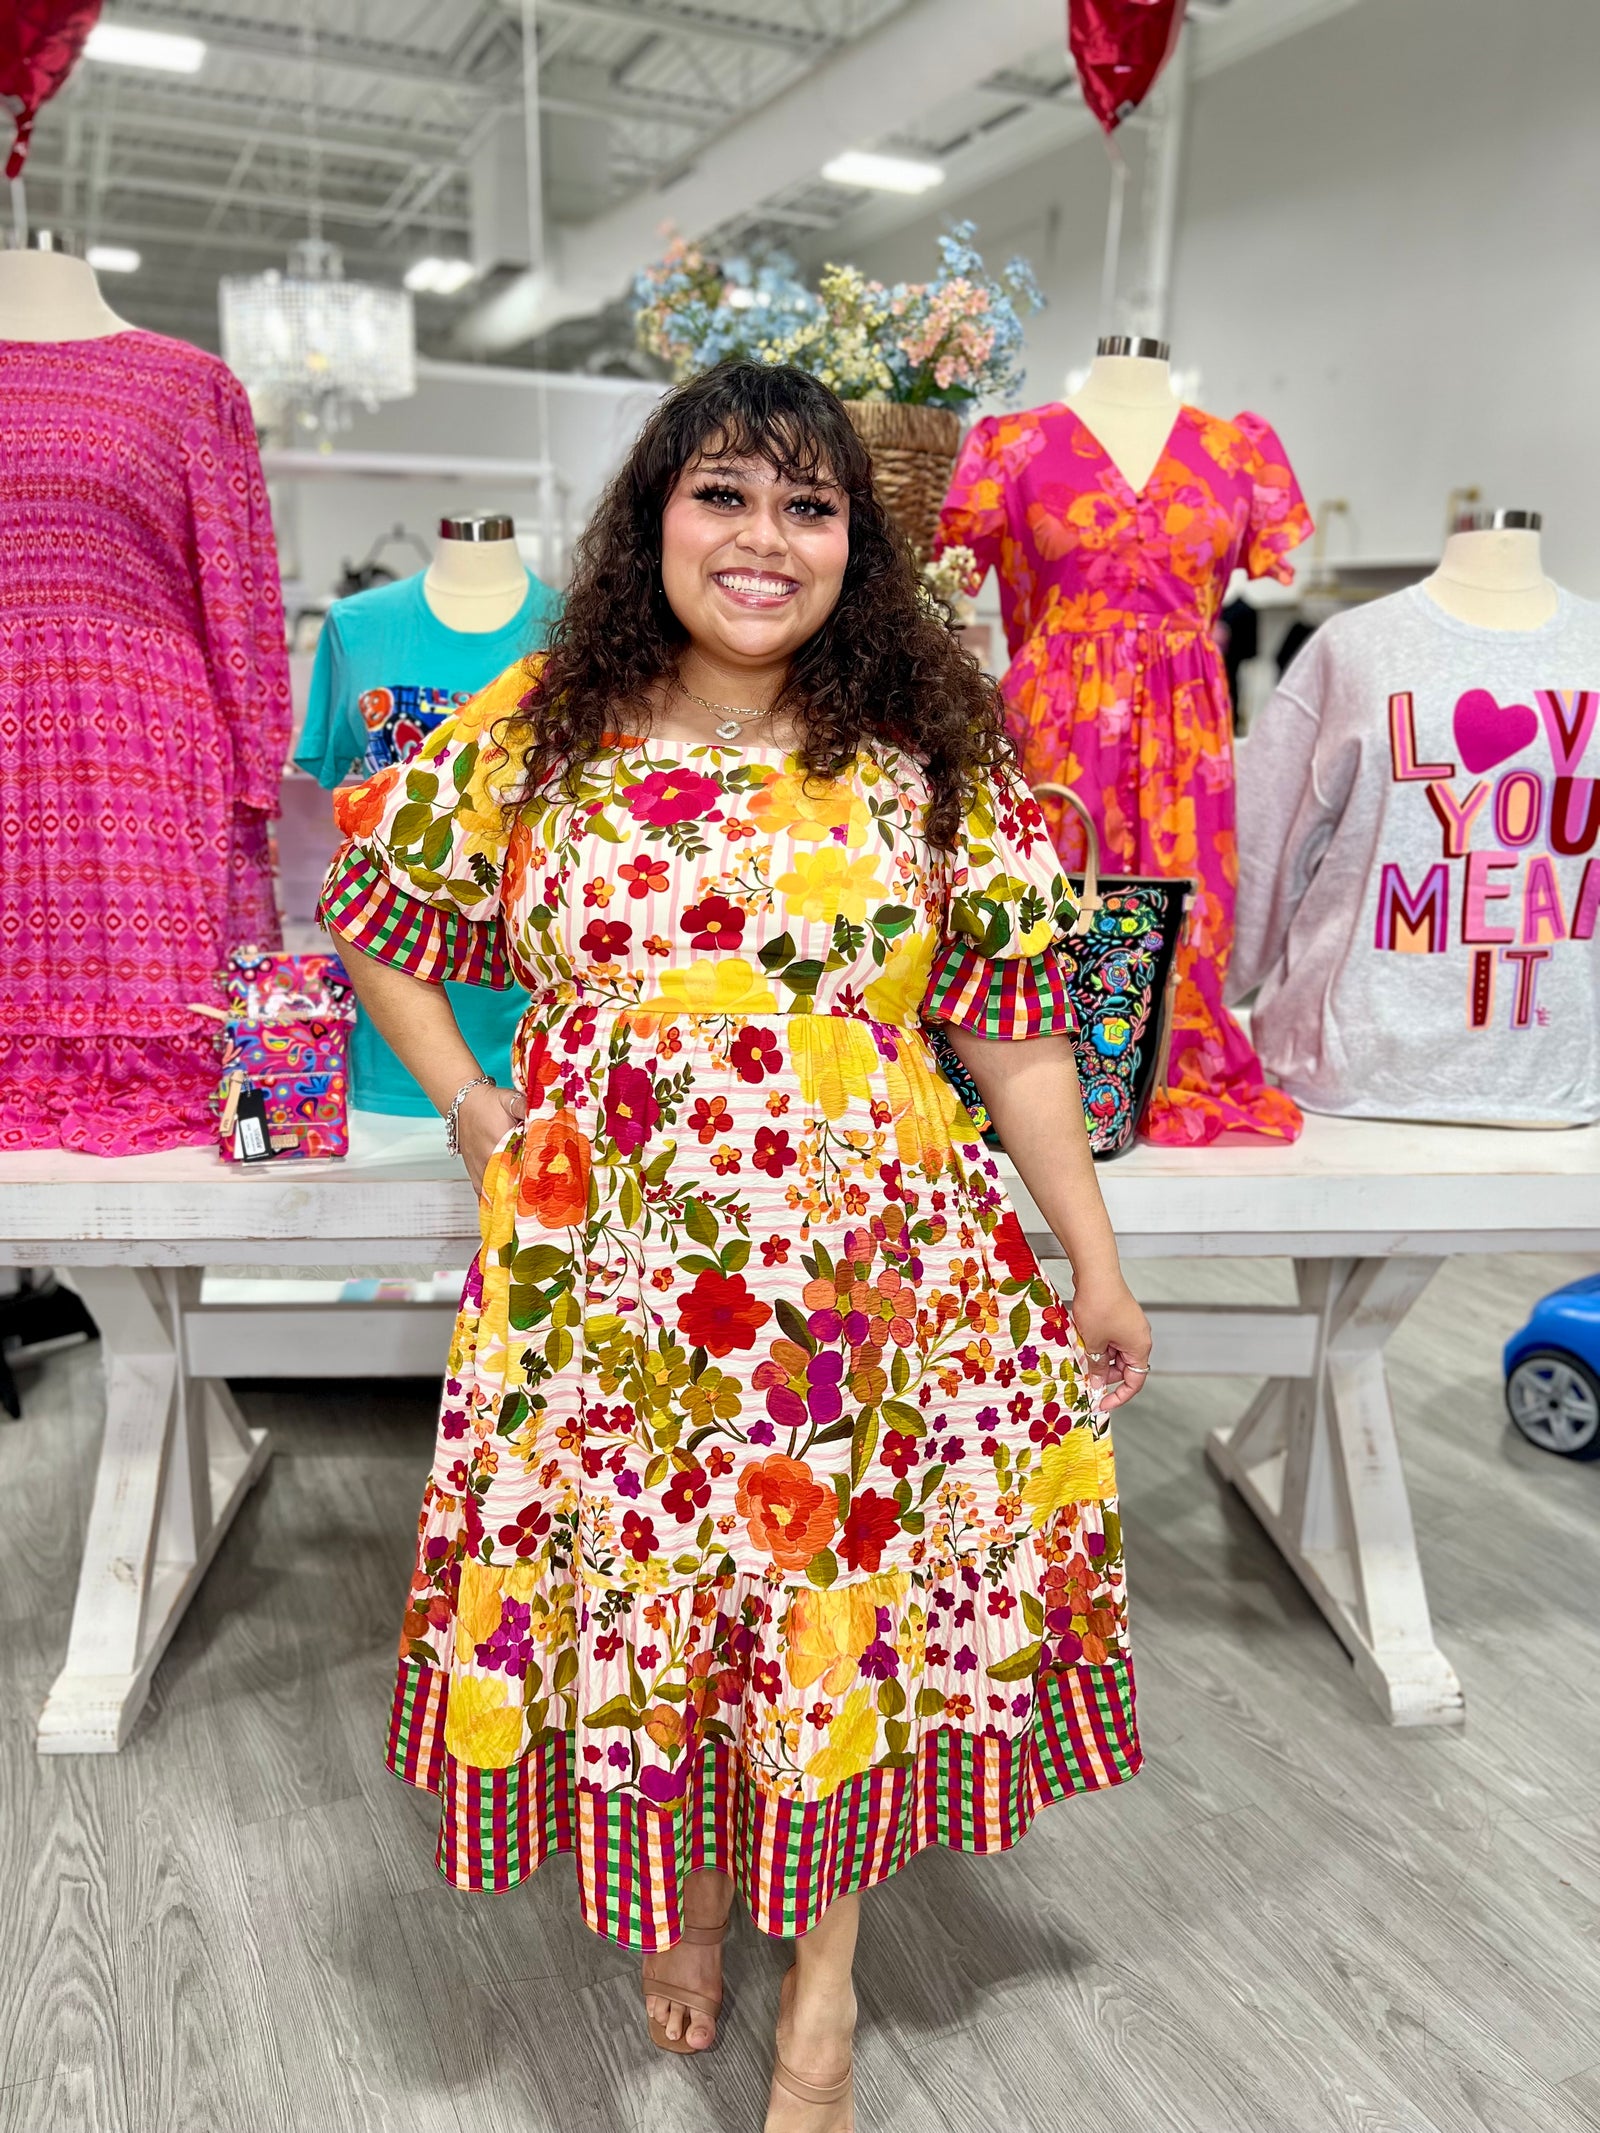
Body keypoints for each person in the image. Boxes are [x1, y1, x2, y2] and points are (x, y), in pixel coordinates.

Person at [320, 360, 1151, 2131]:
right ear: (654, 516)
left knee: (810, 1619)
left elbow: (1010, 1027)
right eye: (724, 493)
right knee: (658, 1611)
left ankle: (826, 1995)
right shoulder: (543, 723)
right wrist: (479, 1109)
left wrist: (1092, 1256)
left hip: (854, 1298)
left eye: (810, 506)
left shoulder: (929, 758)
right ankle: (684, 1905)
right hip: (606, 1290)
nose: (764, 541)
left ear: (860, 544)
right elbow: (377, 910)